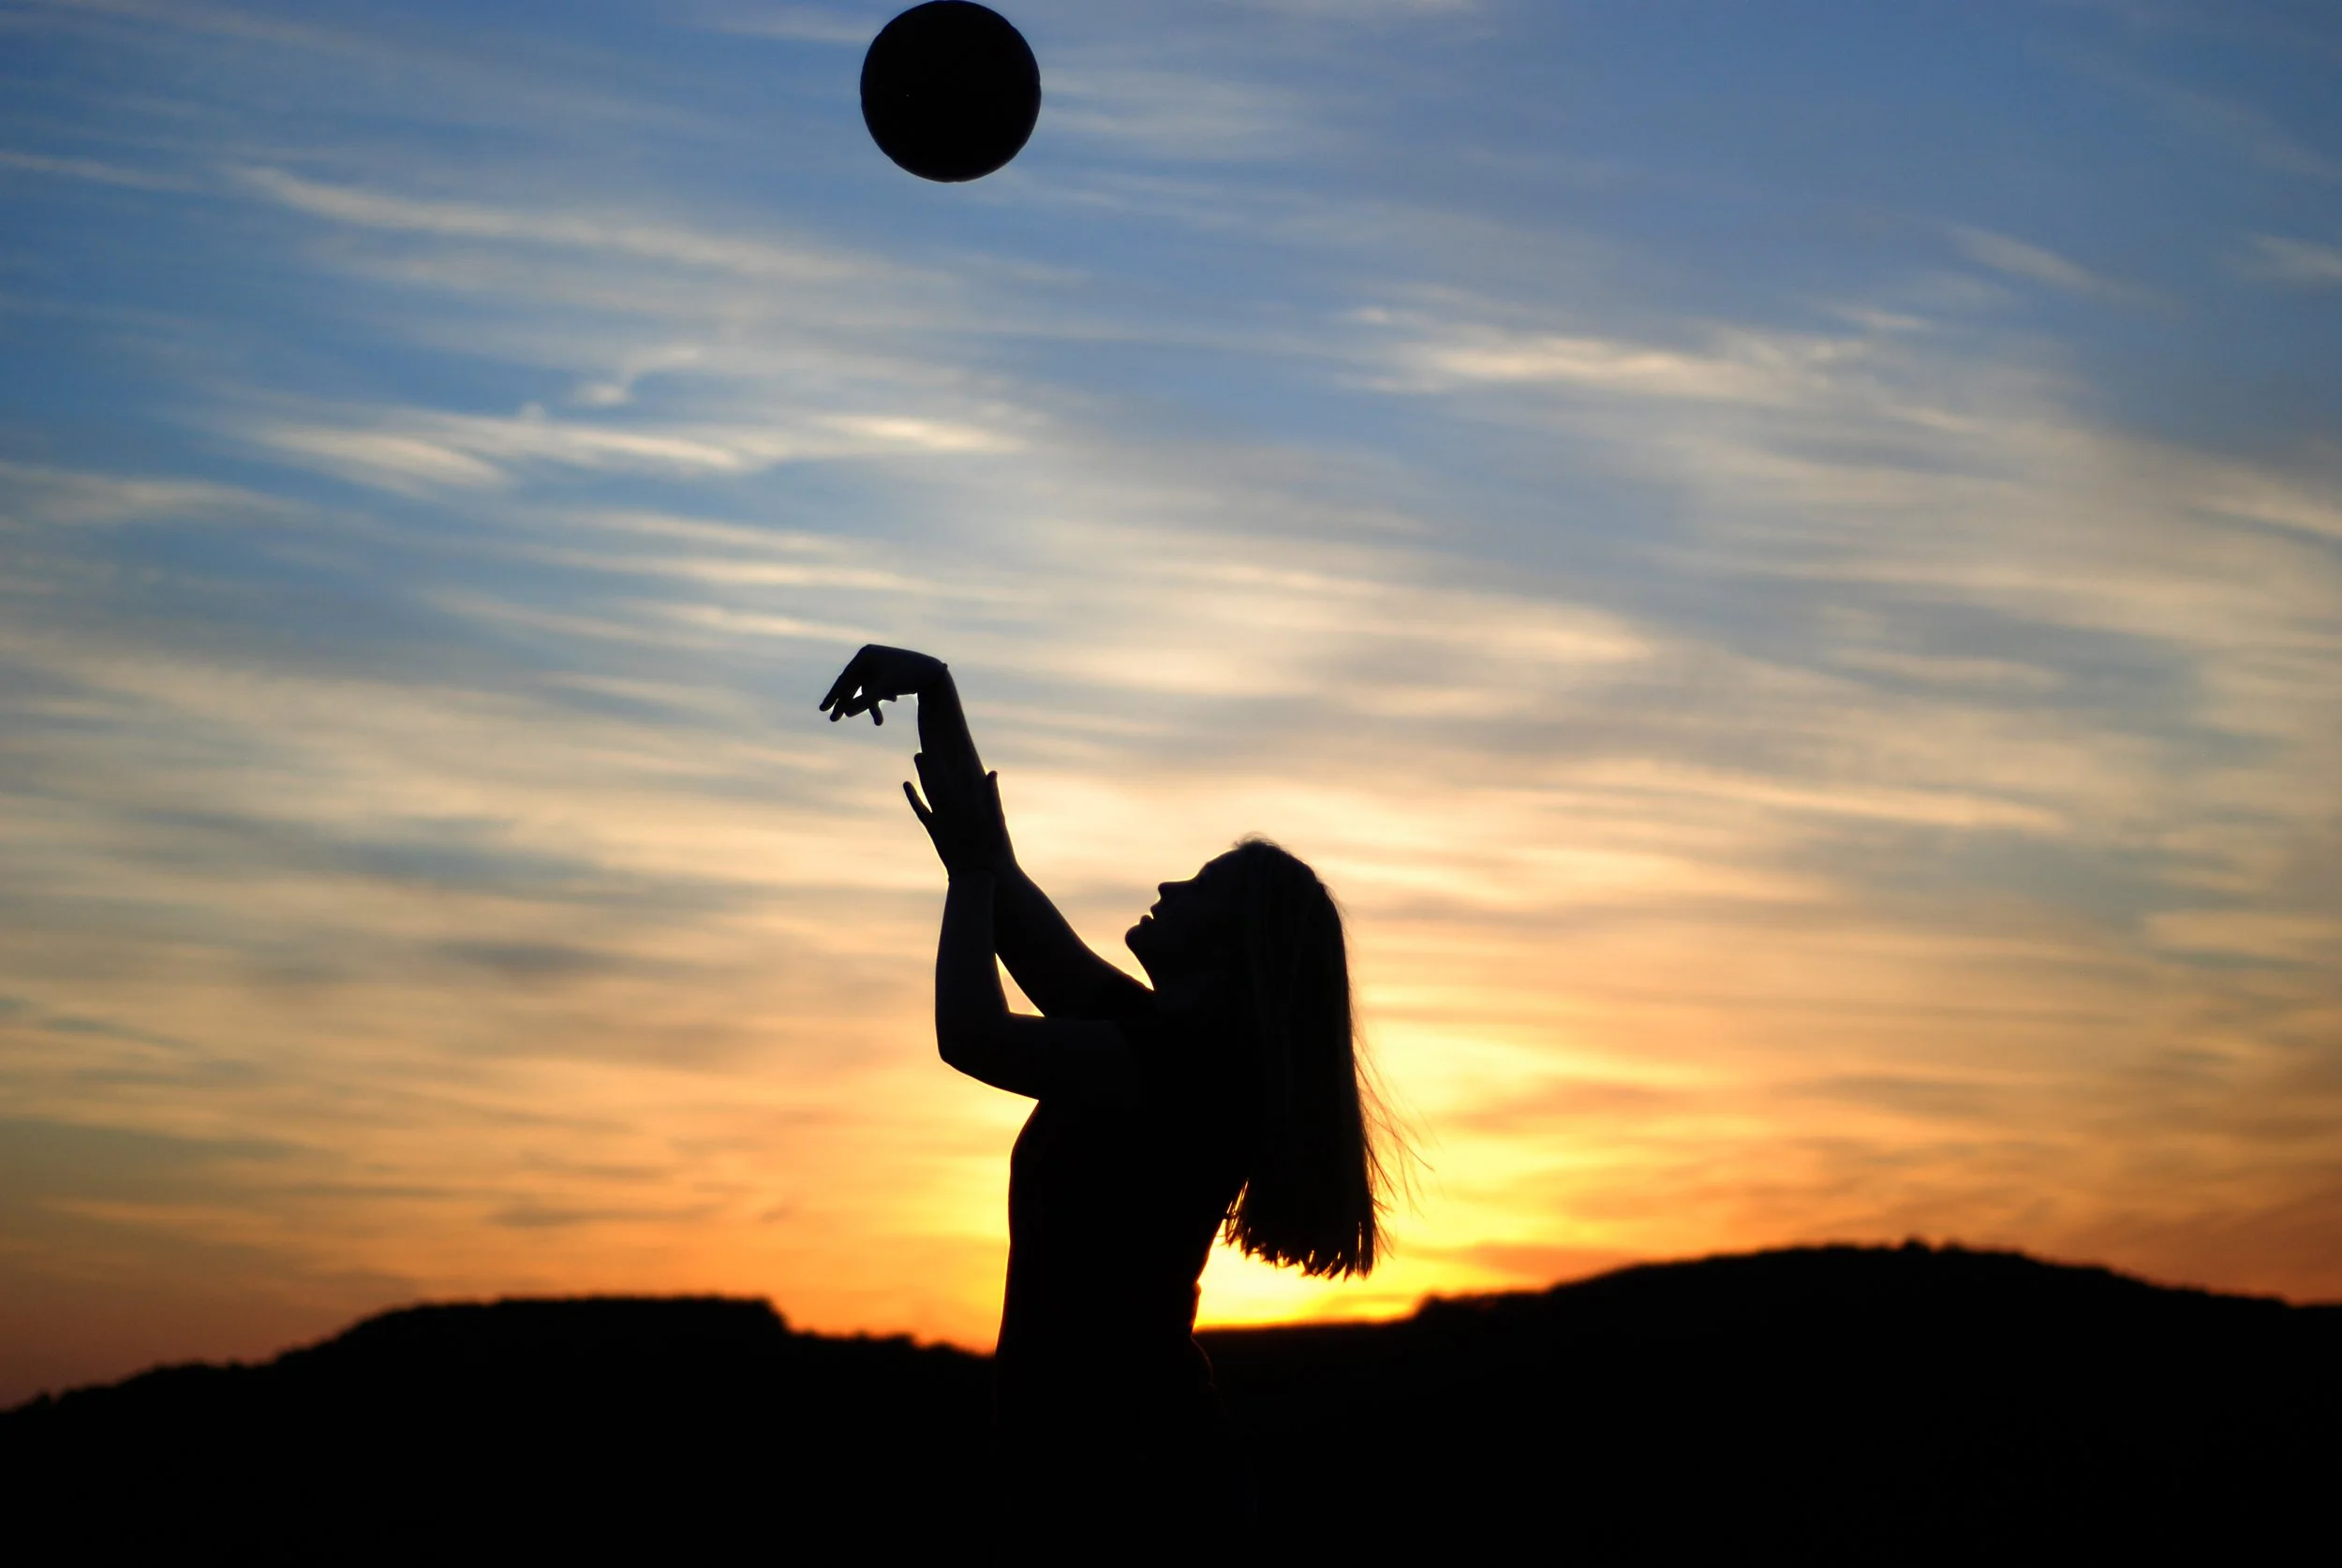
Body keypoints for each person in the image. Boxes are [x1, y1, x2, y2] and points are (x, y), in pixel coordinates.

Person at [820, 644, 1394, 1543]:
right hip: (1110, 1471)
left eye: (1199, 887)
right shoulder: (1156, 1040)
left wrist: (968, 871)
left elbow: (972, 1033)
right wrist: (935, 688)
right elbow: (1009, 894)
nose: (1168, 885)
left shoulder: (1186, 1069)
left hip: (1135, 1487)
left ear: (1235, 949)